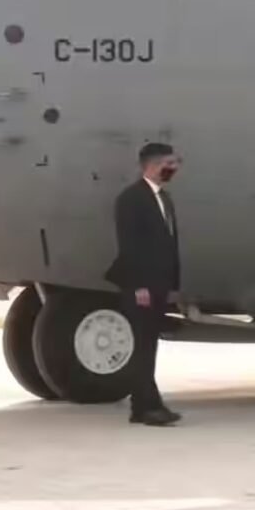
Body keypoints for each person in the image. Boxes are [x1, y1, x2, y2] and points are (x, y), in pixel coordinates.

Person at [105, 143, 183, 426]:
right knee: (142, 347)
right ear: (153, 164)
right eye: (171, 163)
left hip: (159, 284)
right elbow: (130, 246)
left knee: (148, 345)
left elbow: (168, 244)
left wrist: (172, 283)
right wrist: (138, 286)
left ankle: (144, 406)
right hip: (141, 286)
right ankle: (147, 407)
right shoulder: (131, 199)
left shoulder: (165, 199)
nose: (175, 168)